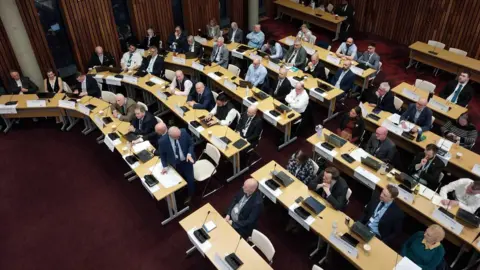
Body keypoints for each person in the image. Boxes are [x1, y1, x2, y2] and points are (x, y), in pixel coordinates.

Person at [157, 126, 195, 204]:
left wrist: (189, 153)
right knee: (178, 178)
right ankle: (181, 189)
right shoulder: (162, 141)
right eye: (177, 137)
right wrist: (165, 166)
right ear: (170, 135)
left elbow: (191, 143)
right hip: (175, 163)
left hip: (187, 160)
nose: (179, 137)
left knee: (190, 179)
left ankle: (191, 195)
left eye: (179, 135)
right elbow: (162, 154)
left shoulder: (183, 132)